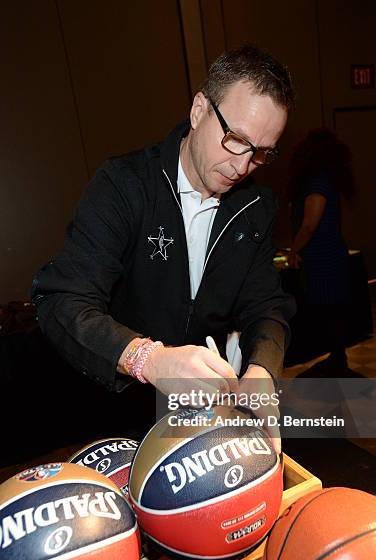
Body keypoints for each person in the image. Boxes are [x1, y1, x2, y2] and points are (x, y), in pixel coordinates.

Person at [31, 45, 296, 450]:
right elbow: (62, 301)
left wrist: (261, 371)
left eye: (260, 153)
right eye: (235, 140)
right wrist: (149, 360)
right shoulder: (124, 186)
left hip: (202, 424)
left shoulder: (256, 207)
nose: (242, 166)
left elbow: (266, 308)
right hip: (115, 419)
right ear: (199, 110)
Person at [286, 127, 355, 372]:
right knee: (332, 309)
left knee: (329, 309)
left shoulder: (318, 182)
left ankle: (338, 360)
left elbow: (309, 225)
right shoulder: (328, 179)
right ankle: (338, 357)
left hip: (324, 259)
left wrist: (293, 250)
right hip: (330, 255)